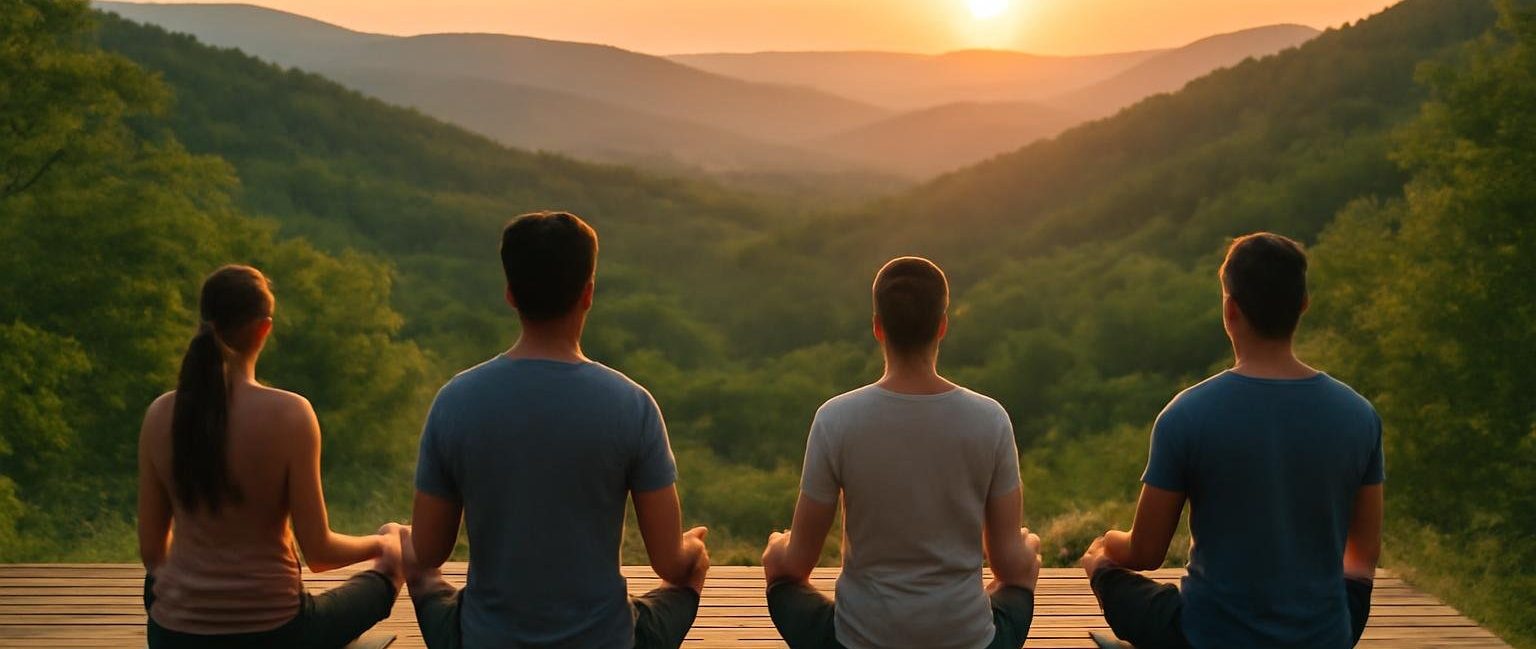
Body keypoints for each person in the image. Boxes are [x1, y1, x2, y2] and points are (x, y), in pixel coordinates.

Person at [403, 211, 709, 649]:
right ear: (588, 294)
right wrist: (693, 551)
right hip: (607, 640)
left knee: (414, 562)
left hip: (483, 640)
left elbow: (429, 553)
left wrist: (398, 544)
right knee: (690, 573)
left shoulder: (455, 401)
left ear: (510, 295)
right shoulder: (632, 405)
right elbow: (669, 565)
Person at [1080, 233, 1384, 649]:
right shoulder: (1359, 415)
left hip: (1208, 637)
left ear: (1230, 309)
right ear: (1303, 305)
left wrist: (1105, 545)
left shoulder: (1187, 414)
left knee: (1104, 569)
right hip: (1324, 636)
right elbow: (1362, 556)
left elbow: (1146, 553)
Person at [760, 256, 1042, 649]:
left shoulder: (836, 419)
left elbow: (798, 564)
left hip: (858, 641)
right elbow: (1008, 565)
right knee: (1020, 579)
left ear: (878, 328)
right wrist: (1028, 551)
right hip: (970, 642)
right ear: (942, 327)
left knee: (780, 579)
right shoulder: (990, 419)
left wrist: (777, 551)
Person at [137, 265, 406, 648]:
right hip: (276, 636)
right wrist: (385, 543)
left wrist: (198, 590)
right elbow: (320, 553)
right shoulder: (291, 414)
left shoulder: (160, 414)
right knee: (388, 570)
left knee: (159, 584)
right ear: (264, 328)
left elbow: (152, 553)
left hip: (173, 637)